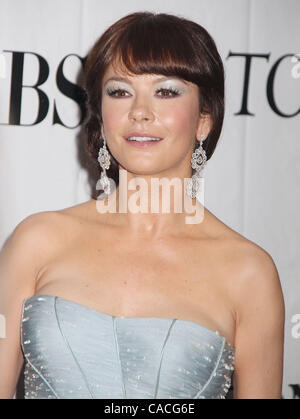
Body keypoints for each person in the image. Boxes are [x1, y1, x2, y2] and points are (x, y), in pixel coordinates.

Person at [0, 11, 285, 399]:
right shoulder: (36, 241)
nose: (140, 112)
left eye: (166, 91)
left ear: (205, 119)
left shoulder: (249, 273)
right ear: (100, 117)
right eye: (120, 91)